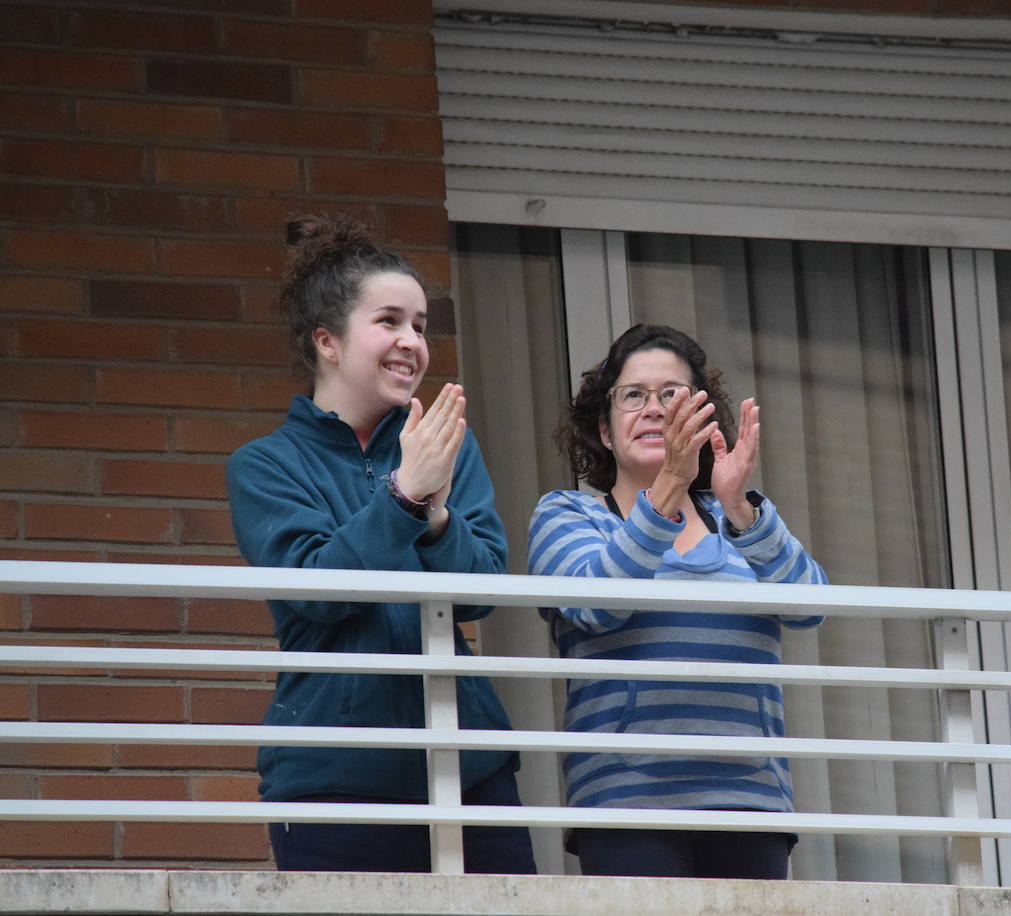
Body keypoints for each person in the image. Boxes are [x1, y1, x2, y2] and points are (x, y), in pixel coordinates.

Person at [226, 214, 536, 874]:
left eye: (420, 325)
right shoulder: (264, 465)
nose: (412, 341)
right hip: (334, 775)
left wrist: (436, 516)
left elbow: (481, 589)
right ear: (328, 342)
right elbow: (317, 592)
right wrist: (402, 497)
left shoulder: (445, 443)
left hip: (469, 765)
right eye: (389, 320)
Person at [527, 323, 826, 879]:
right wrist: (668, 486)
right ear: (605, 430)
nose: (654, 409)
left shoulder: (741, 518)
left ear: (701, 417)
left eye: (672, 395)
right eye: (633, 396)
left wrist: (739, 508)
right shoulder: (568, 515)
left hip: (749, 798)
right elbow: (596, 605)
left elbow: (810, 605)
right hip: (626, 801)